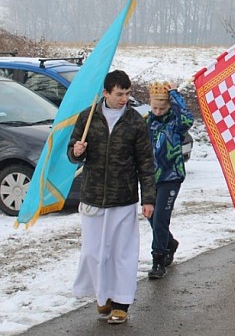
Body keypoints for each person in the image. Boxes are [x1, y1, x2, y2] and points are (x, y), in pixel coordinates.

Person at [67, 70, 156, 325]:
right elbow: (73, 153)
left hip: (124, 198)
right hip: (93, 196)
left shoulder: (135, 122)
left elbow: (146, 163)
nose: (124, 99)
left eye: (127, 94)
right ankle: (102, 294)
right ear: (105, 93)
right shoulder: (88, 118)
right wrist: (77, 151)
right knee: (94, 252)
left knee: (122, 253)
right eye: (119, 94)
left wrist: (148, 198)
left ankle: (121, 303)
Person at [146, 80, 194, 279]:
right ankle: (169, 243)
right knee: (151, 216)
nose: (158, 111)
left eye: (162, 108)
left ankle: (158, 260)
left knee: (160, 219)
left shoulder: (176, 122)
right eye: (154, 107)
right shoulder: (146, 122)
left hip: (171, 176)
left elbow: (187, 118)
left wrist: (174, 95)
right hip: (150, 177)